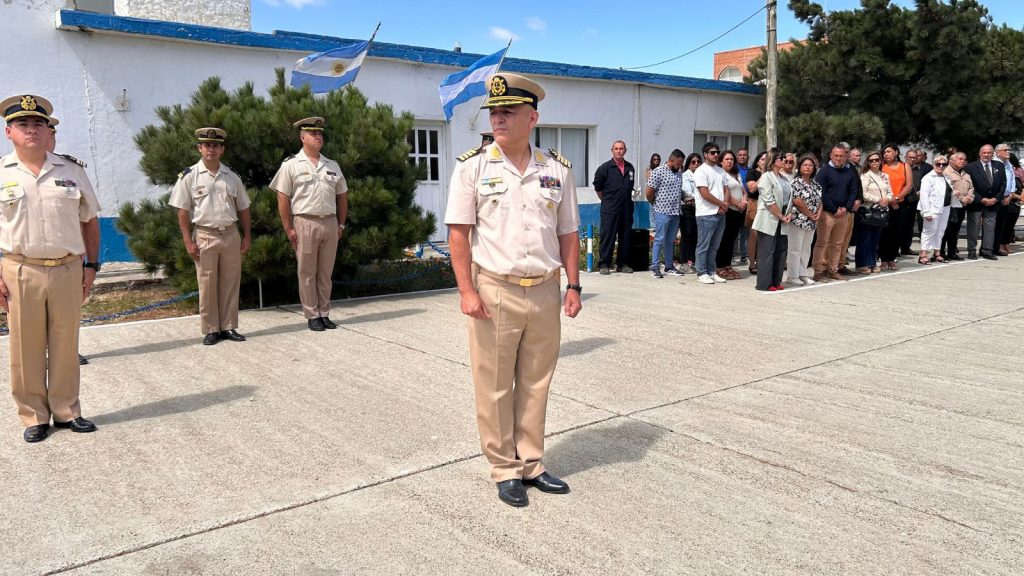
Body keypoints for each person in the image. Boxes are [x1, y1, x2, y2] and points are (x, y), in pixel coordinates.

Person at [444, 73, 580, 508]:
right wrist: (467, 291)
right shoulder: (473, 167)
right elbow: (459, 236)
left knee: (537, 382)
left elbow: (569, 234)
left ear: (532, 117)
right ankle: (504, 468)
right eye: (494, 113)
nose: (498, 119)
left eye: (508, 112)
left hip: (544, 290)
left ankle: (532, 463)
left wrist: (573, 285)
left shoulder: (556, 169)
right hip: (494, 290)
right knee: (496, 384)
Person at [0, 94, 101, 443]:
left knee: (65, 341)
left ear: (48, 131)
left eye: (39, 124)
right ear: (9, 131)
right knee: (25, 347)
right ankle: (33, 415)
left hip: (67, 269)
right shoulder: (1, 172)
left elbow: (89, 220)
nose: (32, 130)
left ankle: (66, 410)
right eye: (24, 124)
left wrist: (92, 265)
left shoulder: (71, 171)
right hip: (20, 270)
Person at [169, 128, 252, 345]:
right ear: (200, 148)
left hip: (230, 234)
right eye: (207, 145)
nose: (211, 149)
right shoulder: (189, 177)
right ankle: (211, 329)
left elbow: (243, 208)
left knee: (230, 282)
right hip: (205, 235)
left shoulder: (232, 177)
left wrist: (246, 236)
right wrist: (188, 240)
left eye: (216, 145)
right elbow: (182, 211)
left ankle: (229, 326)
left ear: (222, 149)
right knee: (207, 284)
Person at [270, 116, 348, 331]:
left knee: (325, 272)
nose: (318, 137)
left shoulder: (331, 165)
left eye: (320, 133)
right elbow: (282, 197)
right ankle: (312, 314)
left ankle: (324, 312)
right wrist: (288, 227)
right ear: (302, 137)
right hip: (305, 222)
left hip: (329, 223)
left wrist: (341, 225)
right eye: (313, 133)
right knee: (306, 272)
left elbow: (342, 195)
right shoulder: (291, 165)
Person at [45, 117, 91, 366]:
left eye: (52, 135)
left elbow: (87, 217)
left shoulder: (71, 170)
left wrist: (89, 259)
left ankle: (67, 351)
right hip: (31, 260)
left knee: (67, 313)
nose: (47, 140)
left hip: (68, 257)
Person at [812, 144, 859, 281]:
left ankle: (833, 270)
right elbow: (822, 192)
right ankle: (819, 271)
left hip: (844, 213)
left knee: (838, 244)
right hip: (827, 213)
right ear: (831, 155)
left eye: (841, 156)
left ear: (846, 156)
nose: (838, 158)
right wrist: (834, 209)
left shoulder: (849, 171)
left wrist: (846, 208)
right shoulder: (824, 171)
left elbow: (853, 191)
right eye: (836, 156)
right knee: (822, 243)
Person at [752, 149, 792, 291]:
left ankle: (776, 281)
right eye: (782, 158)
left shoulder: (784, 178)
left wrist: (789, 214)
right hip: (769, 218)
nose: (784, 161)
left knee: (781, 251)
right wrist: (780, 215)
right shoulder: (766, 177)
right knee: (766, 252)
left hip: (783, 218)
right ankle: (764, 284)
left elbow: (789, 199)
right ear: (774, 160)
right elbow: (768, 200)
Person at [593, 141, 635, 274]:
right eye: (616, 149)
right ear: (612, 150)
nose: (619, 151)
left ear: (625, 151)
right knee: (608, 236)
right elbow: (598, 188)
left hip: (626, 208)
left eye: (621, 149)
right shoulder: (604, 168)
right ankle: (604, 264)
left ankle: (622, 264)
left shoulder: (630, 168)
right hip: (610, 209)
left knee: (625, 236)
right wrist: (608, 201)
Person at [645, 149, 685, 278]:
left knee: (670, 240)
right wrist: (655, 203)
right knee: (659, 239)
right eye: (678, 164)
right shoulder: (658, 172)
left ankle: (669, 266)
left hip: (675, 212)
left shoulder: (678, 173)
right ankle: (655, 267)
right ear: (671, 160)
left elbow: (679, 191)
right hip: (662, 211)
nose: (680, 167)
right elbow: (649, 191)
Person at [693, 142, 729, 285]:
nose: (716, 155)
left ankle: (711, 271)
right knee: (704, 245)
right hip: (706, 214)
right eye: (713, 152)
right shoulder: (701, 171)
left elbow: (726, 189)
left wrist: (725, 205)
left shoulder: (720, 171)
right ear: (705, 155)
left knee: (715, 245)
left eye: (717, 152)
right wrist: (722, 204)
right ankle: (701, 272)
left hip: (720, 213)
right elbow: (705, 193)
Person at [965, 144, 1006, 260]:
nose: (986, 155)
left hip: (993, 204)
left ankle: (987, 251)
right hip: (977, 203)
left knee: (990, 228)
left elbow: (1003, 184)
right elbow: (969, 185)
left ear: (993, 154)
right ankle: (972, 251)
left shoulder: (999, 166)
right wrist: (981, 199)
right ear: (980, 153)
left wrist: (996, 199)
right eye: (984, 152)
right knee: (973, 229)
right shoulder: (971, 167)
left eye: (989, 153)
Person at [787, 155, 822, 285]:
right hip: (798, 220)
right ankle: (792, 276)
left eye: (810, 165)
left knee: (806, 249)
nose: (808, 167)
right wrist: (810, 214)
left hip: (812, 222)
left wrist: (817, 214)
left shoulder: (816, 184)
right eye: (805, 165)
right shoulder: (795, 183)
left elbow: (820, 201)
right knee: (795, 249)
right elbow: (797, 201)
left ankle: (803, 273)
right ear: (799, 167)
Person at [856, 152, 893, 274]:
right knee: (865, 238)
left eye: (877, 159)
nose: (874, 162)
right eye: (871, 160)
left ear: (881, 161)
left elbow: (890, 191)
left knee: (875, 238)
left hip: (881, 211)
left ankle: (872, 262)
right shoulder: (865, 176)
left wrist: (887, 199)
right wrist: (878, 200)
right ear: (868, 162)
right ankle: (862, 264)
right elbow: (864, 193)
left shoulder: (885, 176)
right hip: (868, 209)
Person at [878, 144, 912, 270]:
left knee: (896, 231)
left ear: (896, 152)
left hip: (899, 203)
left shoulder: (904, 166)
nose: (886, 154)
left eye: (889, 151)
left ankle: (892, 258)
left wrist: (896, 198)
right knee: (883, 232)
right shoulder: (882, 166)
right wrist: (889, 199)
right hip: (884, 202)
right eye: (884, 152)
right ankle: (883, 259)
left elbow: (909, 185)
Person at [714, 150, 746, 280]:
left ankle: (727, 264)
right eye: (727, 159)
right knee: (724, 239)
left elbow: (743, 190)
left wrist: (744, 202)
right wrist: (737, 203)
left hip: (739, 211)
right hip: (728, 210)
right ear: (721, 161)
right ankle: (719, 266)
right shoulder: (720, 174)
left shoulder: (736, 174)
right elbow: (723, 192)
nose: (729, 161)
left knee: (732, 239)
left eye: (731, 159)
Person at [917, 154, 951, 264]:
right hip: (932, 208)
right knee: (928, 231)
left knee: (940, 231)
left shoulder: (946, 177)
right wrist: (926, 211)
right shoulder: (928, 177)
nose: (941, 166)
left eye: (943, 164)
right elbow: (923, 195)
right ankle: (923, 254)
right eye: (938, 164)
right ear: (934, 164)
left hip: (945, 208)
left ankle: (937, 253)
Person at [941, 151, 974, 261]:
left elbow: (971, 188)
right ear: (951, 161)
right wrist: (962, 199)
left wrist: (969, 198)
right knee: (945, 230)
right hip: (949, 206)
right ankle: (940, 252)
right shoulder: (945, 172)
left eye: (964, 159)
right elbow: (950, 189)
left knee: (955, 231)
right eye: (960, 159)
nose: (963, 161)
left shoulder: (966, 174)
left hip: (961, 207)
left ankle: (952, 252)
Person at [837, 146, 863, 275]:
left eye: (846, 153)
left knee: (845, 239)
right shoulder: (829, 168)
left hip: (850, 209)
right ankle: (828, 267)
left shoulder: (851, 168)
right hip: (835, 210)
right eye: (842, 153)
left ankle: (841, 265)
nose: (843, 155)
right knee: (832, 241)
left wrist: (858, 200)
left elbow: (857, 186)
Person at [744, 151, 768, 274]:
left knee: (764, 236)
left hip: (767, 205)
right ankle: (752, 262)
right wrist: (763, 175)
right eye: (763, 159)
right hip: (755, 203)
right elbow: (752, 188)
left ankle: (761, 261)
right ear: (758, 161)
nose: (765, 161)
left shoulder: (771, 174)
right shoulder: (752, 172)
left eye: (767, 159)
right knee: (754, 235)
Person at [906, 148, 932, 255]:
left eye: (915, 157)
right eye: (910, 157)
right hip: (905, 200)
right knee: (903, 225)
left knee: (910, 225)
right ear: (905, 157)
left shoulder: (923, 168)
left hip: (918, 200)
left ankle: (906, 247)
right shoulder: (903, 168)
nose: (913, 159)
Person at [994, 144, 1019, 255]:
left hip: (1007, 198)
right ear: (998, 152)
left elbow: (1012, 181)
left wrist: (1009, 196)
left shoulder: (1008, 164)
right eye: (1005, 150)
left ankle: (999, 245)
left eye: (1009, 149)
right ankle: (993, 247)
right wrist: (1000, 197)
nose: (1008, 151)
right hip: (997, 198)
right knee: (994, 225)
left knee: (1002, 224)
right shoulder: (994, 163)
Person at [678, 152, 701, 272]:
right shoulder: (685, 175)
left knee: (696, 236)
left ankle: (694, 261)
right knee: (686, 235)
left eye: (698, 162)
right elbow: (688, 192)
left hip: (699, 208)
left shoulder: (702, 175)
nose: (696, 164)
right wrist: (703, 197)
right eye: (693, 162)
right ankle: (684, 262)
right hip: (687, 208)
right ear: (688, 164)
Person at [736, 147, 750, 264]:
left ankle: (744, 255)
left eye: (744, 155)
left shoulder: (750, 171)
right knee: (734, 231)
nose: (742, 157)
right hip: (735, 203)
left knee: (745, 231)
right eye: (740, 155)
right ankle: (733, 254)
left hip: (748, 203)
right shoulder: (734, 170)